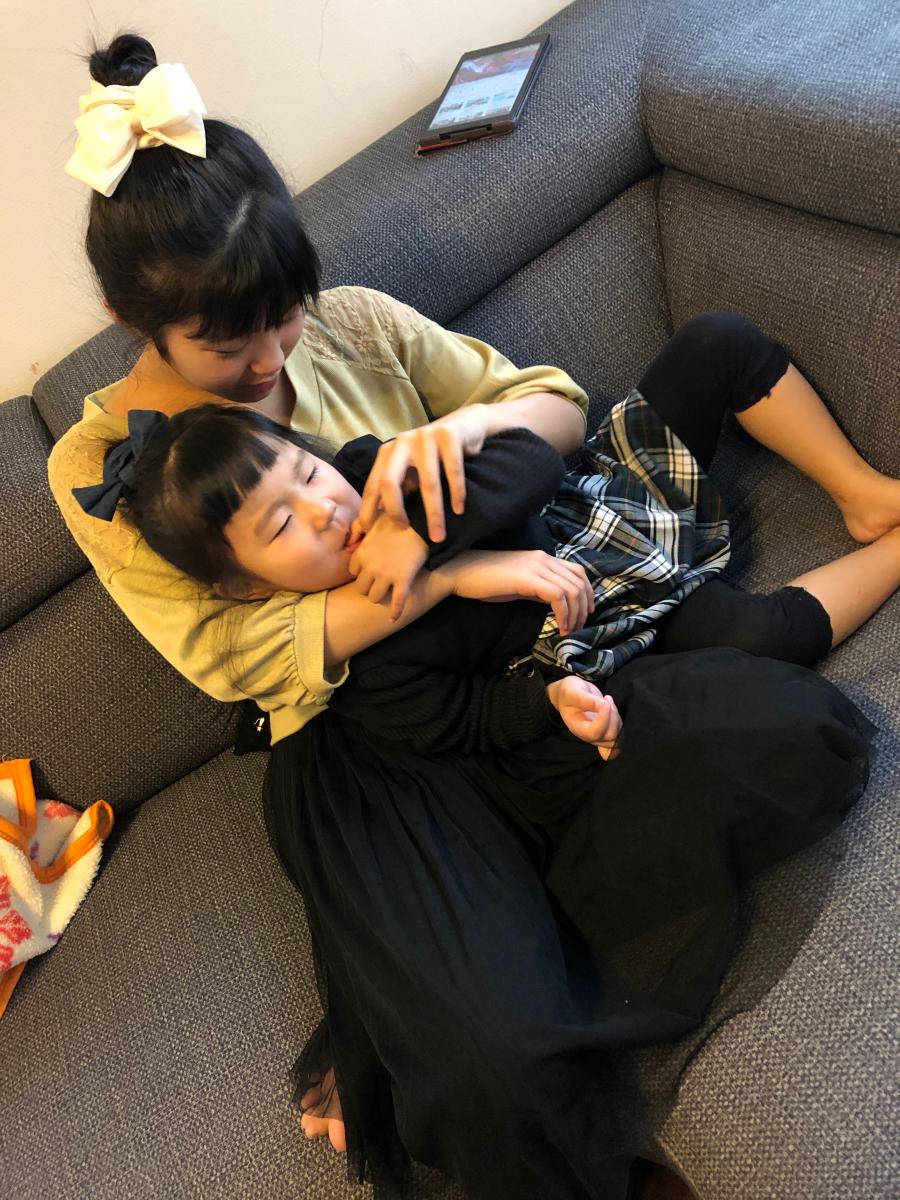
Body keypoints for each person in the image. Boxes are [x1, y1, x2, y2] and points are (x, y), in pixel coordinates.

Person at [50, 32, 899, 1199]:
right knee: (487, 1066)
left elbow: (550, 406)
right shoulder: (100, 463)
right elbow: (229, 659)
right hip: (365, 732)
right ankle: (426, 996)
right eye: (227, 343)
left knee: (772, 732)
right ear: (132, 316)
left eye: (283, 315)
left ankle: (432, 978)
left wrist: (458, 431)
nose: (269, 358)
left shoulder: (352, 321)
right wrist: (433, 572)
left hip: (524, 630)